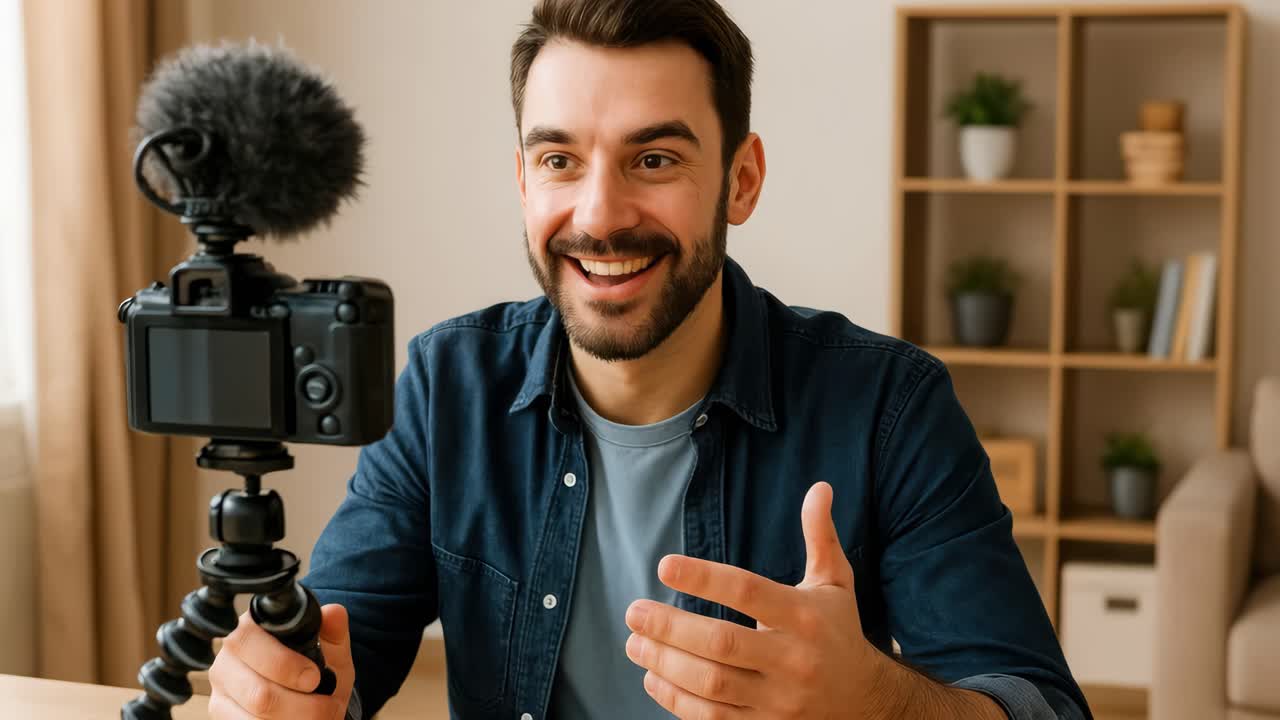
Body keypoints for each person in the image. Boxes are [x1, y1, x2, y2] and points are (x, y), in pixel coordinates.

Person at [206, 1, 1091, 718]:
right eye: (560, 158)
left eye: (654, 158)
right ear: (523, 181)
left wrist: (879, 705)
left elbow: (1040, 705)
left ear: (741, 181)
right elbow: (335, 659)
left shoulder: (889, 405)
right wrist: (285, 693)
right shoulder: (448, 387)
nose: (601, 214)